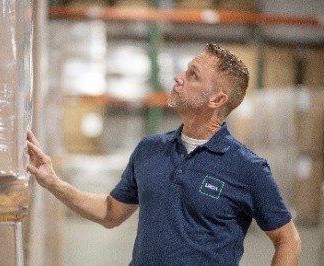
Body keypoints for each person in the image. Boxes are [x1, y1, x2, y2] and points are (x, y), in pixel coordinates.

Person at [26, 43, 301, 265]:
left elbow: (288, 240)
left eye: (193, 75)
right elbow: (110, 212)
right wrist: (52, 181)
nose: (178, 78)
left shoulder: (247, 167)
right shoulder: (150, 149)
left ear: (216, 100)